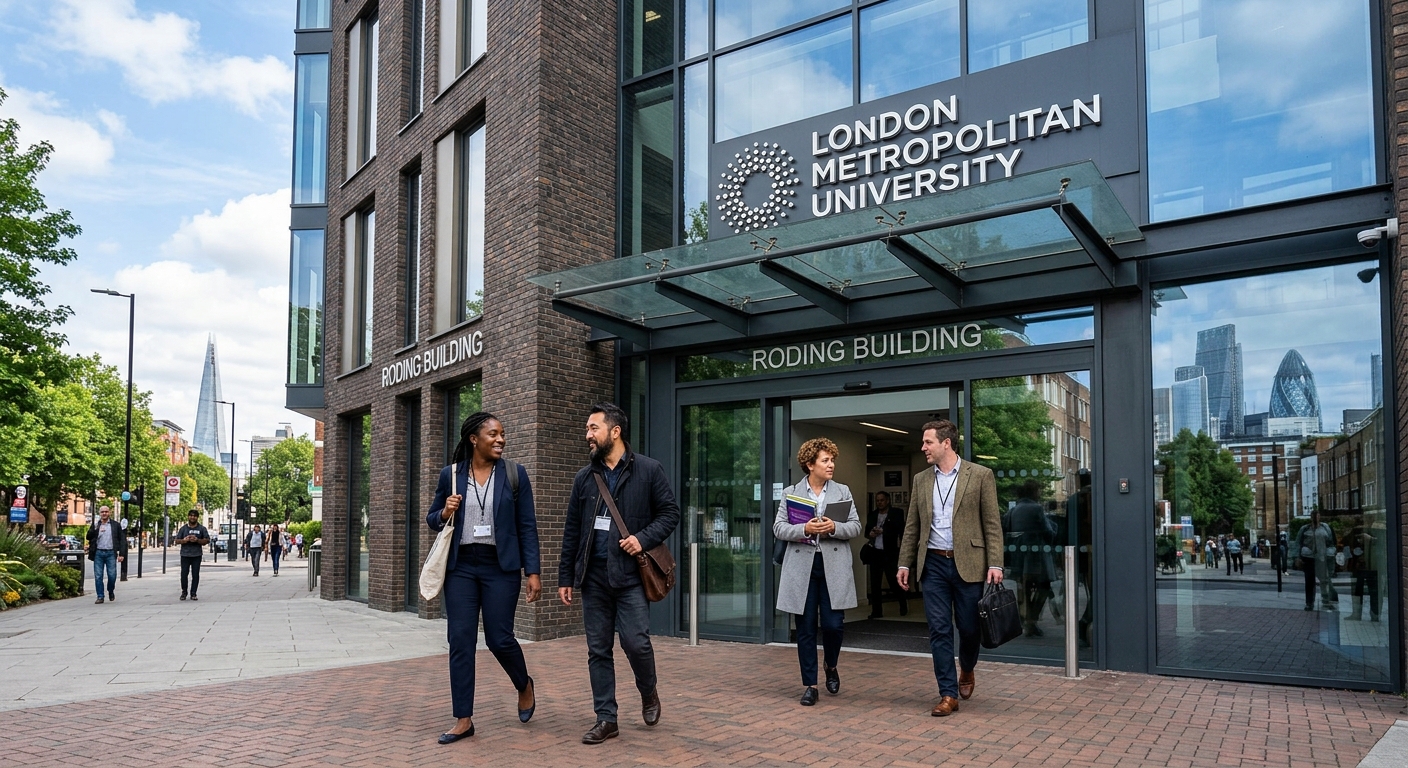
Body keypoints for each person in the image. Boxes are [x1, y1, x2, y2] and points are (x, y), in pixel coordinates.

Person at [559, 403, 679, 745]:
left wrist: (641, 539)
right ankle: (606, 718)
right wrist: (565, 577)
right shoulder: (585, 478)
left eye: (593, 428)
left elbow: (670, 513)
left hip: (630, 577)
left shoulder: (649, 470)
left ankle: (648, 690)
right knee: (598, 649)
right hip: (593, 578)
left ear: (615, 431)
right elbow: (571, 530)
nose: (588, 435)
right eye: (587, 429)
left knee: (635, 642)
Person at [427, 411, 542, 745]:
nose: (501, 439)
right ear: (474, 439)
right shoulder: (450, 475)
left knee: (499, 638)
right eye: (493, 434)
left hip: (500, 566)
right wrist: (445, 511)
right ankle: (464, 719)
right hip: (461, 566)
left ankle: (524, 684)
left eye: (502, 434)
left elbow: (527, 526)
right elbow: (432, 518)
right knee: (460, 639)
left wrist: (532, 571)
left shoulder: (514, 474)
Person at [896, 419, 1003, 718]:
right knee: (939, 630)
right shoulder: (921, 480)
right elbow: (912, 527)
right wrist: (904, 562)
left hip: (968, 564)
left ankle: (967, 668)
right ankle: (947, 693)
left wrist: (995, 563)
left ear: (946, 443)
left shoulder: (980, 475)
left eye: (928, 442)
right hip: (932, 564)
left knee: (969, 629)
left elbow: (992, 524)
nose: (923, 447)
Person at [774, 438, 861, 706]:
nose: (831, 464)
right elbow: (778, 528)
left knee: (834, 626)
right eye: (825, 460)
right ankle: (810, 685)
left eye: (832, 460)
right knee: (806, 629)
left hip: (833, 566)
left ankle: (831, 666)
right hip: (802, 568)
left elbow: (856, 526)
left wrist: (834, 526)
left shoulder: (843, 491)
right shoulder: (791, 492)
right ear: (810, 464)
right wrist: (805, 530)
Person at [1003, 480, 1056, 637]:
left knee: (1023, 589)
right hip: (1036, 556)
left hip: (1018, 557)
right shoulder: (1036, 508)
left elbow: (1006, 529)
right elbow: (1048, 532)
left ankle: (1025, 619)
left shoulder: (1013, 510)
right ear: (1034, 492)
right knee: (1044, 587)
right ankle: (1031, 620)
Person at [864, 491, 907, 618]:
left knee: (893, 580)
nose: (879, 503)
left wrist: (884, 531)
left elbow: (900, 530)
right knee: (875, 583)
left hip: (890, 552)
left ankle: (903, 604)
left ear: (887, 501)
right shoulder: (872, 515)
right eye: (877, 500)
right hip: (875, 552)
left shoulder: (896, 513)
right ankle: (877, 611)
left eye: (882, 500)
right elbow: (866, 532)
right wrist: (871, 533)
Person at [1296, 511, 1338, 611]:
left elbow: (1332, 542)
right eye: (1313, 516)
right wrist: (1297, 557)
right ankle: (1309, 603)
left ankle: (1326, 601)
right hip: (1308, 558)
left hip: (1322, 558)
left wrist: (1331, 553)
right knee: (1309, 582)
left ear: (1320, 517)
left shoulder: (1325, 528)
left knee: (1324, 580)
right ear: (1310, 517)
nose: (1315, 518)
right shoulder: (1305, 529)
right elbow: (1298, 543)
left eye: (1317, 516)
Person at [86, 505, 128, 604]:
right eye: (102, 512)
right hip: (98, 553)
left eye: (106, 512)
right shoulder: (96, 524)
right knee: (98, 576)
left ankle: (110, 590)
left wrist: (121, 554)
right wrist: (94, 528)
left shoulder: (115, 525)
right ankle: (100, 596)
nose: (104, 513)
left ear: (109, 513)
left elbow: (122, 540)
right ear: (99, 513)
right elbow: (88, 537)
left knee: (112, 575)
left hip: (110, 553)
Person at [174, 510, 210, 600]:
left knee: (195, 574)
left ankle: (193, 593)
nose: (192, 517)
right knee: (184, 574)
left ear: (197, 517)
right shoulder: (183, 529)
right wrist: (184, 540)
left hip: (196, 555)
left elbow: (206, 540)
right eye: (191, 515)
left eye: (194, 516)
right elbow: (177, 540)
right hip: (185, 555)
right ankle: (184, 592)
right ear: (188, 516)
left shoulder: (202, 529)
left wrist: (197, 540)